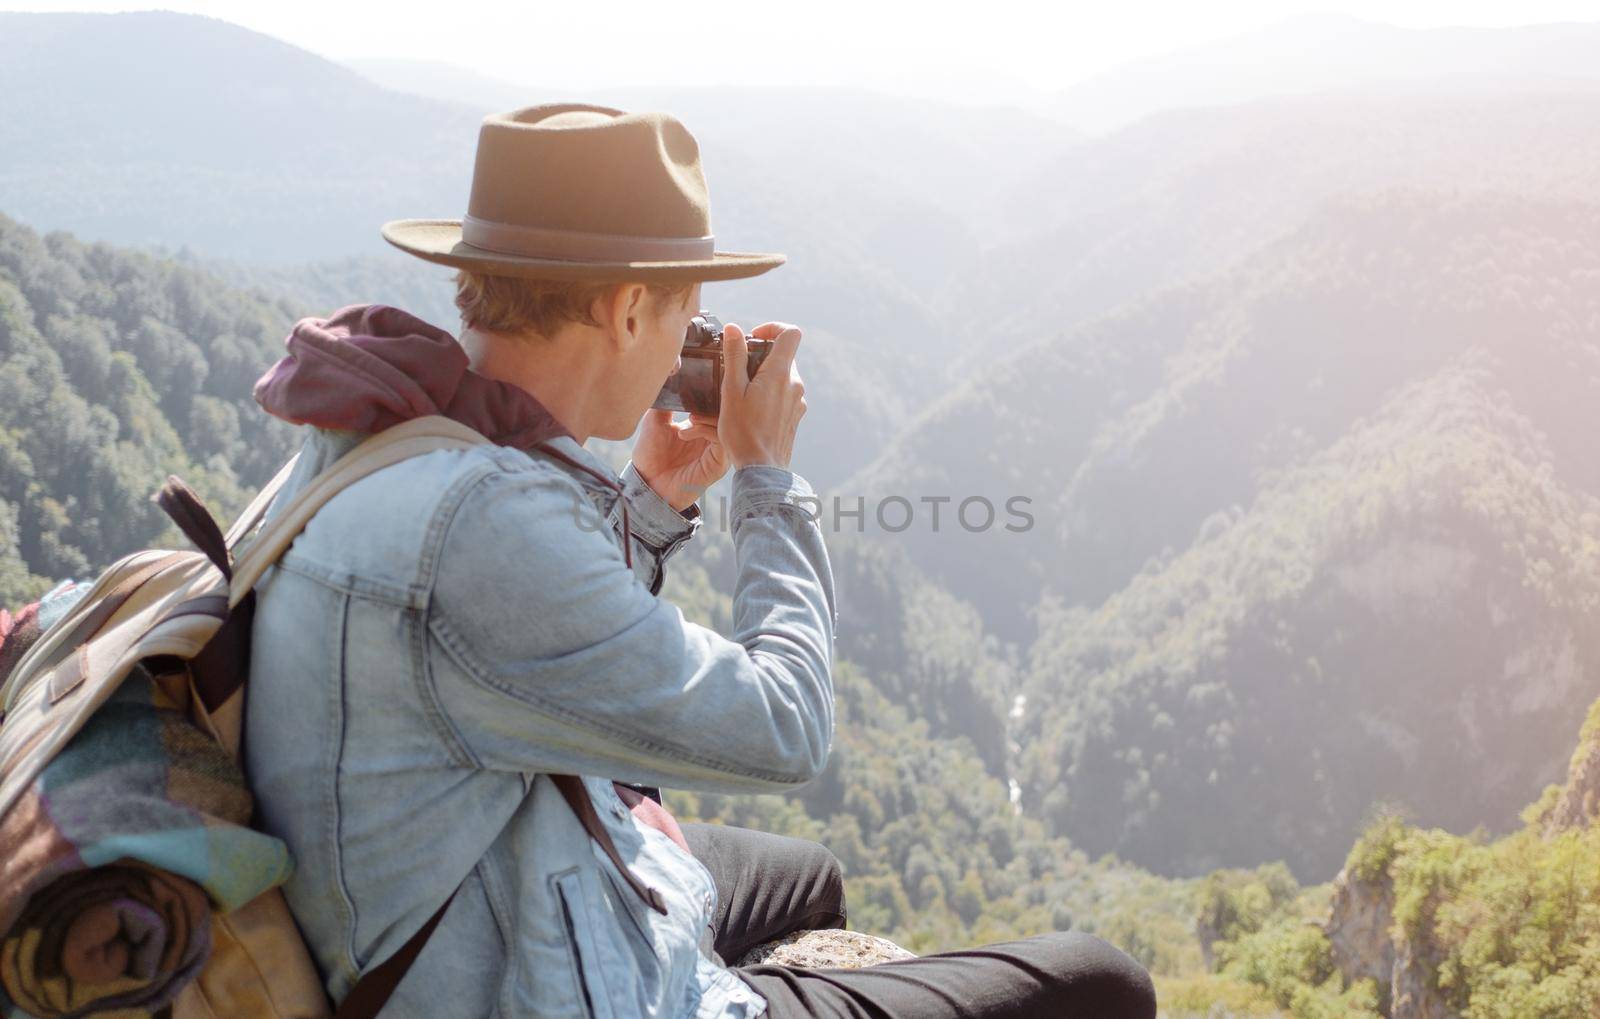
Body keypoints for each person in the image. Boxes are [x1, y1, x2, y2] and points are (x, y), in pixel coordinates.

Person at [244, 103, 1156, 1018]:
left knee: (805, 877)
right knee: (1101, 981)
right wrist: (767, 479)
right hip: (501, 978)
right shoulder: (482, 524)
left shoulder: (388, 432)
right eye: (688, 310)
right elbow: (785, 728)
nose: (693, 340)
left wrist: (651, 497)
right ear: (630, 306)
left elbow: (525, 652)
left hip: (454, 879)